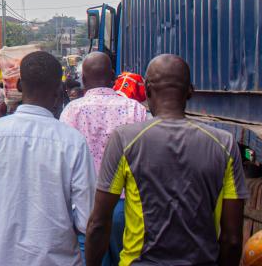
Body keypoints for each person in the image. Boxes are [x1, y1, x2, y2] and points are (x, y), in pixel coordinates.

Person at [85, 54, 247, 266]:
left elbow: (98, 223)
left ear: (148, 90)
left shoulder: (125, 140)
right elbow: (232, 239)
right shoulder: (224, 144)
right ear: (190, 91)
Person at [0, 50, 94, 266]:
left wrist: (7, 214)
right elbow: (86, 220)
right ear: (60, 90)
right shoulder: (74, 142)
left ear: (20, 87)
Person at [60, 52, 148, 265]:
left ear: (83, 78)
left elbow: (63, 163)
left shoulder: (72, 111)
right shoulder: (135, 109)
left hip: (86, 206)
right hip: (127, 207)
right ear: (112, 76)